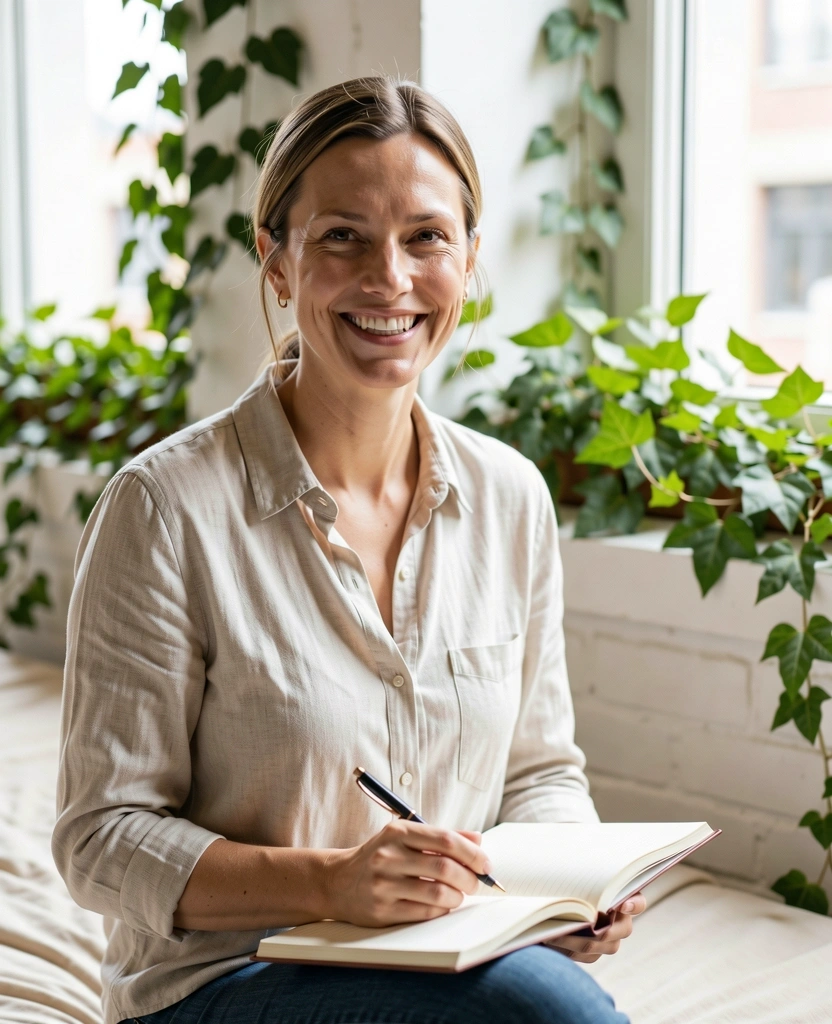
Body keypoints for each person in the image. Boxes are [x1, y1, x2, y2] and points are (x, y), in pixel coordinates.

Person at [53, 76, 642, 1024]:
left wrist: (569, 892)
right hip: (223, 982)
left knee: (548, 996)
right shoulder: (161, 510)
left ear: (470, 257)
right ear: (277, 262)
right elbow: (100, 839)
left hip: (449, 955)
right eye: (342, 238)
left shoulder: (511, 499)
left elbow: (539, 775)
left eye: (426, 237)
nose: (391, 279)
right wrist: (331, 884)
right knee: (550, 1017)